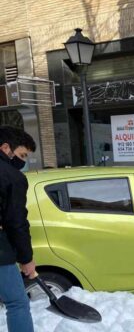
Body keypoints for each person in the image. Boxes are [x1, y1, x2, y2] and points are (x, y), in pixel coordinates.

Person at [0, 126, 37, 332]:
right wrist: (26, 259)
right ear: (6, 148)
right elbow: (16, 222)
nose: (23, 162)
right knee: (17, 303)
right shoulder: (12, 177)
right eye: (22, 155)